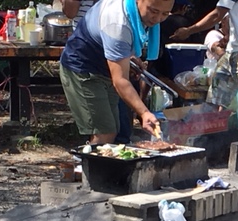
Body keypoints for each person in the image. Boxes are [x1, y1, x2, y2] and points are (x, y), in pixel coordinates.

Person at [59, 0, 173, 145]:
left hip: (104, 68)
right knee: (104, 132)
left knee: (113, 130)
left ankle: (96, 165)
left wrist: (128, 57)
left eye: (165, 14)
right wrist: (144, 113)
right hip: (82, 68)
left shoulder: (133, 10)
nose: (157, 19)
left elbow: (118, 42)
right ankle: (89, 166)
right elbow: (120, 81)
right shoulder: (117, 23)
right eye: (153, 11)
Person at [170, 0, 238, 136]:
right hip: (234, 51)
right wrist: (232, 37)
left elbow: (217, 15)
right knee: (215, 97)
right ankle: (210, 135)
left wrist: (189, 30)